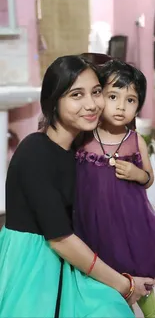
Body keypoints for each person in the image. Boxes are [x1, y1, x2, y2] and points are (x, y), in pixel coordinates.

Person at [0, 55, 152, 318]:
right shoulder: (34, 151)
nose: (91, 104)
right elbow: (60, 239)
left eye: (96, 92)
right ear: (54, 102)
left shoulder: (79, 151)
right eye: (76, 95)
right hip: (34, 266)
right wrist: (124, 285)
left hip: (72, 259)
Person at [74, 59, 155, 318]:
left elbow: (149, 179)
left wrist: (137, 173)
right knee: (103, 282)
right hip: (93, 223)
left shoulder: (135, 141)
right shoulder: (84, 137)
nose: (121, 106)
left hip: (132, 224)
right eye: (113, 96)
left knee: (142, 273)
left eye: (130, 100)